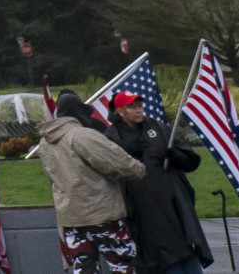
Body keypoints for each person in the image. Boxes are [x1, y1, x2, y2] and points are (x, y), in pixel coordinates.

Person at [39, 89, 149, 274]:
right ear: (78, 112)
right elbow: (117, 161)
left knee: (84, 267)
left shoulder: (45, 142)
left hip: (71, 216)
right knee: (121, 264)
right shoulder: (82, 135)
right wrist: (140, 170)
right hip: (102, 213)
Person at [107, 91, 214, 274]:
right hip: (143, 210)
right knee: (164, 258)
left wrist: (175, 156)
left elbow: (191, 161)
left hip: (174, 204)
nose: (139, 110)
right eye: (133, 107)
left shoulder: (158, 128)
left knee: (188, 252)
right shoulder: (112, 137)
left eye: (140, 106)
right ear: (120, 112)